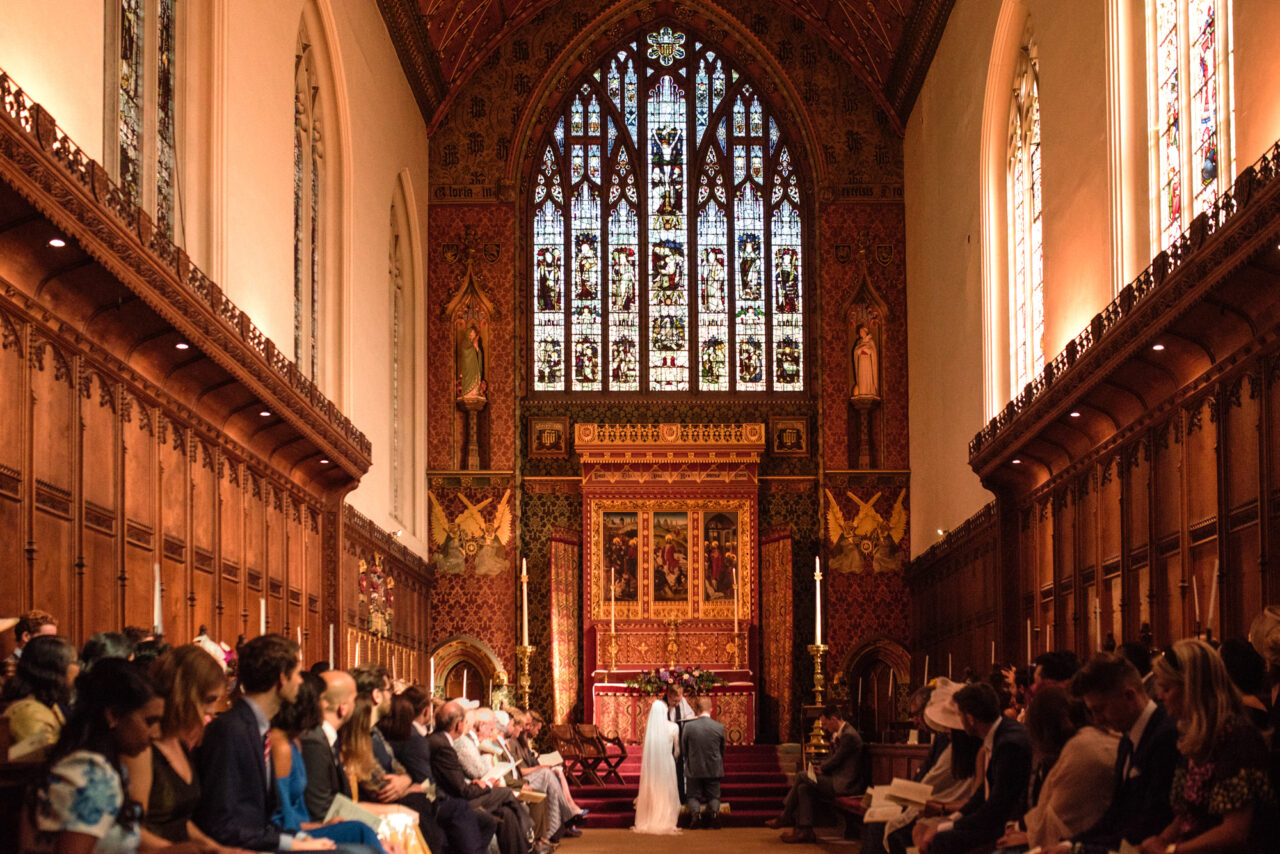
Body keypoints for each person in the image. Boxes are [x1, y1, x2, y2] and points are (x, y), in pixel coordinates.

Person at [193, 633, 349, 852]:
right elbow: (221, 822)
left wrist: (300, 838)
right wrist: (291, 843)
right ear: (281, 678)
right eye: (297, 673)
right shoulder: (231, 730)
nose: (301, 681)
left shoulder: (259, 728)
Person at [1137, 639, 1276, 853]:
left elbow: (1235, 832)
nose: (1159, 696)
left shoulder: (1237, 739)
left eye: (1166, 688)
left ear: (1193, 686)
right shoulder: (1195, 735)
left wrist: (1172, 850)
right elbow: (1189, 814)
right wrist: (1162, 840)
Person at [24, 658, 162, 854]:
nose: (156, 734)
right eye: (150, 722)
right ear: (113, 715)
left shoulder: (97, 764)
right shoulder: (89, 774)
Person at [1068, 651, 1179, 853]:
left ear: (1129, 695)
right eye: (1091, 712)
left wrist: (1084, 849)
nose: (1097, 720)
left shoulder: (1166, 736)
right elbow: (1116, 814)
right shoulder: (1127, 739)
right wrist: (1070, 844)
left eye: (1100, 709)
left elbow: (1153, 821)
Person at [123, 644, 230, 852]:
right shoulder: (143, 747)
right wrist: (172, 849)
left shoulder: (179, 742)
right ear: (184, 695)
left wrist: (215, 847)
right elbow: (130, 830)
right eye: (208, 700)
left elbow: (178, 820)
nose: (211, 711)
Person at [270, 673, 386, 852]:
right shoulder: (290, 744)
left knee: (362, 831)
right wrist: (304, 838)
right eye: (320, 701)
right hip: (289, 837)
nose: (324, 706)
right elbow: (282, 818)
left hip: (301, 829)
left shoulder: (298, 742)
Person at [993, 684, 1117, 851]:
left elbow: (1060, 817)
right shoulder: (1079, 743)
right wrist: (1017, 827)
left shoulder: (1081, 748)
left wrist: (1029, 835)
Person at [914, 682, 1031, 854]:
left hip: (1008, 822)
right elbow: (982, 792)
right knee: (936, 832)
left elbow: (996, 805)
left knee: (941, 840)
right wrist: (951, 820)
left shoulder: (1009, 744)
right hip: (995, 816)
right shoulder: (1000, 733)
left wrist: (947, 826)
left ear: (970, 718)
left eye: (960, 715)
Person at [429, 700, 532, 854]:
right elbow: (462, 790)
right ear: (459, 725)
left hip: (454, 796)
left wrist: (475, 783)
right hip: (449, 802)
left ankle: (525, 845)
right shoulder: (445, 746)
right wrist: (485, 785)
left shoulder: (441, 741)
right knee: (505, 794)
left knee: (506, 813)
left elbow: (453, 780)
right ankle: (528, 828)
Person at [769, 703, 865, 843]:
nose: (825, 728)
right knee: (804, 788)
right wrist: (820, 767)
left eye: (825, 724)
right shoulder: (841, 734)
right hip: (836, 779)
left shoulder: (849, 735)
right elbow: (833, 758)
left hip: (844, 784)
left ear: (833, 719)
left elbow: (837, 759)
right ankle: (805, 830)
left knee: (802, 775)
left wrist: (822, 768)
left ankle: (785, 816)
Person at [2, 634, 78, 761]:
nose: (79, 668)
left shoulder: (50, 705)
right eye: (75, 662)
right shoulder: (30, 713)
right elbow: (45, 766)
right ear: (56, 669)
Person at [632, 691, 680, 834]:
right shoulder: (674, 727)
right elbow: (677, 751)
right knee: (667, 790)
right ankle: (665, 818)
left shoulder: (650, 731)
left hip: (653, 765)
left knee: (653, 788)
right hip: (667, 763)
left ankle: (650, 817)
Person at [680, 696, 725, 829]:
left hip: (694, 767)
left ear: (696, 709)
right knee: (714, 796)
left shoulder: (689, 727)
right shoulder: (719, 727)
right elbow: (722, 749)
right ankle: (715, 814)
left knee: (693, 796)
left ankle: (696, 815)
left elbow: (684, 749)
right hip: (714, 767)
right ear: (711, 709)